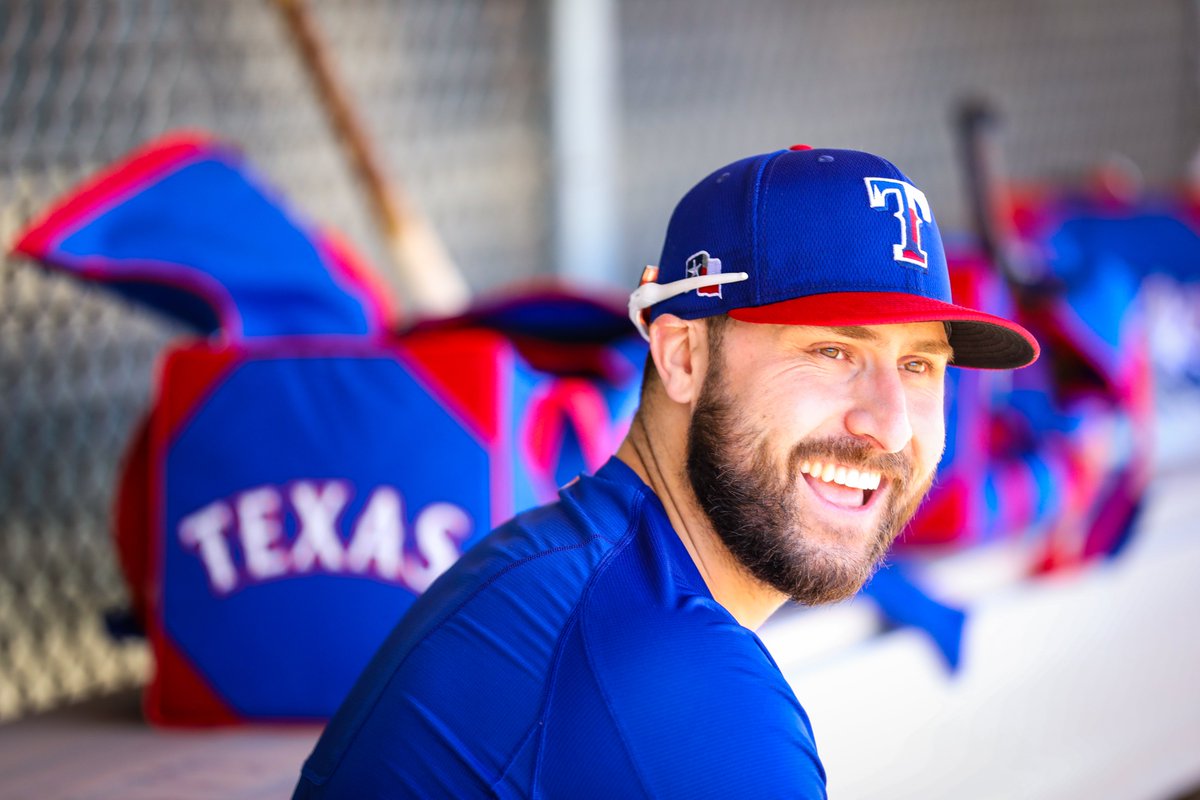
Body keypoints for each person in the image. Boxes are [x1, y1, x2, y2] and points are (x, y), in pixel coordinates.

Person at [293, 145, 1039, 799]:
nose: (891, 424)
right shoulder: (672, 679)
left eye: (917, 366)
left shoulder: (574, 565)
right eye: (831, 353)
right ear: (683, 357)